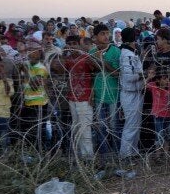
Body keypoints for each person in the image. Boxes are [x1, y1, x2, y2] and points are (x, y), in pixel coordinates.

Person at [58, 36, 95, 161]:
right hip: (72, 98)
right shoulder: (68, 60)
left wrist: (93, 93)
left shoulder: (86, 58)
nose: (72, 46)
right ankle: (81, 155)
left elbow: (95, 74)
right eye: (69, 44)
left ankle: (88, 157)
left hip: (85, 97)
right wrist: (62, 52)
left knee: (85, 128)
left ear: (79, 44)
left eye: (74, 43)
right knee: (77, 127)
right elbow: (59, 69)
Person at [89, 24, 121, 155]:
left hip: (113, 94)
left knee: (114, 125)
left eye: (107, 33)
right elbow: (91, 74)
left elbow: (117, 73)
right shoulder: (91, 53)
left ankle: (117, 153)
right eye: (102, 34)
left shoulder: (115, 51)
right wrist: (91, 92)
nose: (106, 36)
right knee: (101, 126)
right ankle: (104, 154)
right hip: (98, 95)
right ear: (95, 37)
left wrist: (102, 61)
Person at [118, 27, 144, 162]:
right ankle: (125, 154)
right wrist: (144, 75)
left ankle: (133, 152)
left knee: (136, 124)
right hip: (130, 93)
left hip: (136, 92)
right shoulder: (127, 54)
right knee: (131, 125)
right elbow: (129, 77)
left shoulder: (130, 53)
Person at [146, 67, 170, 160]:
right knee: (159, 134)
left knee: (167, 134)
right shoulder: (153, 85)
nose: (167, 80)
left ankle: (166, 154)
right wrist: (149, 77)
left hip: (168, 114)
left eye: (167, 78)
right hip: (158, 115)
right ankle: (158, 155)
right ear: (158, 80)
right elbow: (144, 85)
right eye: (164, 78)